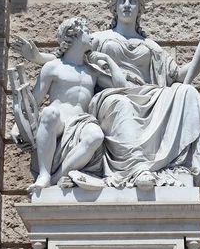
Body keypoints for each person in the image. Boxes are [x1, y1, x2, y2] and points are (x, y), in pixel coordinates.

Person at [85, 0, 200, 189]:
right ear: (114, 6)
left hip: (148, 95)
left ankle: (178, 165)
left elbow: (180, 75)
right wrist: (36, 57)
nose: (127, 5)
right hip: (112, 94)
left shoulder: (150, 46)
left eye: (133, 1)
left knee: (187, 92)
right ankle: (136, 169)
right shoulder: (98, 39)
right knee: (120, 104)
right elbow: (70, 60)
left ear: (140, 7)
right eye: (122, 0)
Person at [12, 17, 126, 190]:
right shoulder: (53, 67)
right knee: (50, 113)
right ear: (74, 36)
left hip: (82, 121)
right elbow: (34, 101)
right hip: (58, 122)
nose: (92, 36)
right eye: (87, 31)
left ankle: (56, 177)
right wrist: (17, 125)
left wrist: (108, 60)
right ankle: (44, 175)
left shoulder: (92, 72)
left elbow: (120, 87)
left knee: (96, 136)